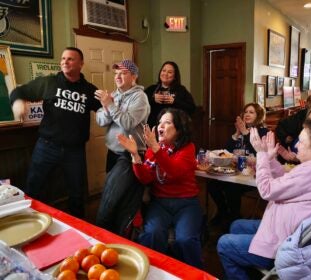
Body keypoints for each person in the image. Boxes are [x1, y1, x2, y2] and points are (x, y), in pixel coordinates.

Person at [217, 119, 311, 280]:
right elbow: (288, 180)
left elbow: (267, 190)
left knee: (224, 243)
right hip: (297, 231)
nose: (296, 145)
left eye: (301, 142)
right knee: (237, 225)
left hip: (291, 245)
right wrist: (270, 159)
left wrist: (262, 155)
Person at [9, 47, 101, 218]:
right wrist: (18, 103)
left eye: (70, 59)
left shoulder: (89, 90)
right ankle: (29, 222)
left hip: (75, 151)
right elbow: (18, 92)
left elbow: (106, 109)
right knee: (33, 187)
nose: (65, 62)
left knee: (76, 194)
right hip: (46, 147)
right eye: (63, 58)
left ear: (81, 64)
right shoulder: (49, 82)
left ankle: (79, 229)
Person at [117, 108, 203, 269]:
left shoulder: (188, 148)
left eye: (167, 122)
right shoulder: (153, 150)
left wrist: (156, 148)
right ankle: (155, 271)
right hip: (160, 203)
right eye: (160, 122)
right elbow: (146, 177)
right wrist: (135, 155)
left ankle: (194, 274)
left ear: (179, 128)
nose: (161, 126)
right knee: (151, 234)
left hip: (186, 204)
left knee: (185, 240)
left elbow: (174, 171)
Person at [95, 59, 150, 236]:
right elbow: (101, 121)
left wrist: (109, 105)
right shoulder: (114, 95)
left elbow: (127, 123)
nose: (118, 76)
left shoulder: (140, 98)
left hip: (129, 156)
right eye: (116, 73)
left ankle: (102, 238)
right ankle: (115, 238)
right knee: (115, 199)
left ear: (134, 76)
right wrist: (107, 105)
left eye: (123, 73)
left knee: (111, 202)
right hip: (112, 153)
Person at [208, 103, 268, 227]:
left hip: (252, 175)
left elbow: (258, 153)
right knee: (212, 184)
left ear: (258, 115)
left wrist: (246, 133)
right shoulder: (241, 131)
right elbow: (227, 152)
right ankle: (223, 211)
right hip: (235, 171)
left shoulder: (263, 132)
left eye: (251, 112)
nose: (247, 114)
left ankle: (234, 218)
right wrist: (236, 134)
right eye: (246, 111)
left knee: (232, 189)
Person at [144, 61, 196, 128]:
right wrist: (152, 99)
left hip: (174, 129)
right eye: (164, 70)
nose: (165, 74)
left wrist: (175, 101)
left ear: (175, 76)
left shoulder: (181, 90)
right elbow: (139, 105)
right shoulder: (151, 89)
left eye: (170, 72)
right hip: (153, 128)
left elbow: (192, 108)